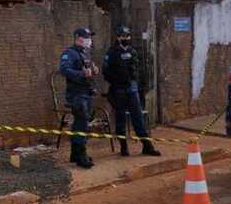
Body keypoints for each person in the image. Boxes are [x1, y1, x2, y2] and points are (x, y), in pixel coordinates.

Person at [102, 26, 161, 157]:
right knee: (121, 119)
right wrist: (117, 80)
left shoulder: (133, 51)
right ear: (118, 37)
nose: (126, 38)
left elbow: (138, 70)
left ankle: (147, 146)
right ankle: (123, 148)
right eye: (123, 36)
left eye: (127, 36)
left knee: (138, 118)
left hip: (132, 89)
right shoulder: (111, 53)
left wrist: (140, 85)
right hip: (118, 90)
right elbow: (105, 72)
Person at [59, 28, 99, 168]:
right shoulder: (69, 53)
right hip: (77, 95)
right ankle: (81, 156)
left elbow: (87, 70)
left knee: (80, 124)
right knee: (82, 124)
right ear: (78, 38)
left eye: (89, 37)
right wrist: (82, 74)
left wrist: (93, 70)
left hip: (86, 93)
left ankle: (75, 154)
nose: (89, 40)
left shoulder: (85, 54)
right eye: (87, 37)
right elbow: (64, 70)